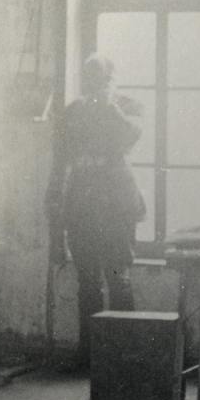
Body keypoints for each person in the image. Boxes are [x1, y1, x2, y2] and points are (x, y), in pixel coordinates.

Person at [46, 55, 145, 372]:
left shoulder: (127, 107)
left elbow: (129, 139)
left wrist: (108, 105)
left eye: (100, 79)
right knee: (87, 282)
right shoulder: (72, 113)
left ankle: (126, 352)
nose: (93, 86)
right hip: (82, 207)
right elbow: (58, 163)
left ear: (112, 80)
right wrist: (55, 211)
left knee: (119, 279)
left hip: (117, 206)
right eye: (88, 80)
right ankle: (89, 354)